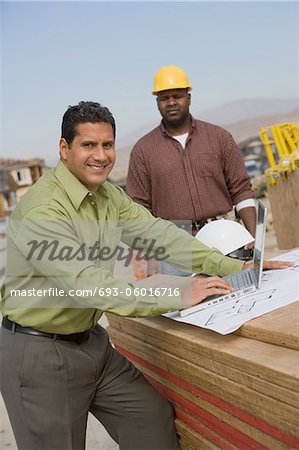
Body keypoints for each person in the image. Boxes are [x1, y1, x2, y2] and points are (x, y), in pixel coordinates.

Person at [0, 101, 291, 450]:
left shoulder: (107, 196)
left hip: (89, 340)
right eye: (88, 145)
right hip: (39, 353)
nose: (101, 155)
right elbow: (90, 288)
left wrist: (234, 266)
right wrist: (177, 295)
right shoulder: (44, 211)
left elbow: (159, 235)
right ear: (64, 149)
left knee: (150, 419)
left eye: (107, 144)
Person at [126, 65, 257, 276]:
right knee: (186, 307)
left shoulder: (218, 137)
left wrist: (254, 238)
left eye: (177, 96)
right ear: (157, 102)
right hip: (175, 248)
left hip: (226, 236)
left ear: (188, 97)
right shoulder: (143, 151)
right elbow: (138, 210)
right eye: (164, 97)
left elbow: (241, 190)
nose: (171, 102)